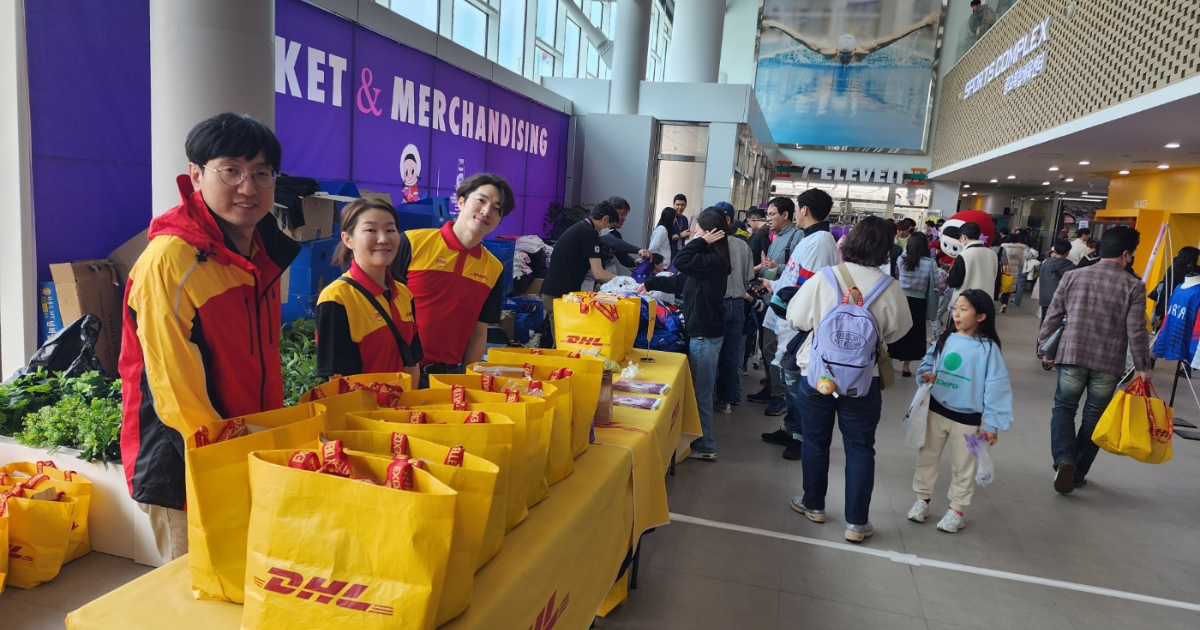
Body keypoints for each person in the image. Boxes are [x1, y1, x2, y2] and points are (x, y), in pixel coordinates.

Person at [119, 113, 299, 562]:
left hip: (245, 449)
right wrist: (226, 461)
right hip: (189, 462)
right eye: (232, 170)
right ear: (196, 175)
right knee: (195, 598)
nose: (248, 187)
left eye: (262, 173)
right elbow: (175, 392)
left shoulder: (259, 253)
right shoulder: (172, 261)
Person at [785, 217, 913, 542]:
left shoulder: (824, 278)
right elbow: (899, 332)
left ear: (849, 241)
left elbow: (796, 319)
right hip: (862, 381)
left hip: (817, 378)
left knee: (815, 442)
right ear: (887, 247)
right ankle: (856, 523)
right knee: (860, 449)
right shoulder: (890, 287)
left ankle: (813, 504)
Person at [1037, 226, 1152, 494]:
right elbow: (1136, 329)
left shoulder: (1074, 276)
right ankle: (1076, 473)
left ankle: (1064, 459)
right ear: (1126, 255)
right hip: (1108, 363)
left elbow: (1053, 315)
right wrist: (1144, 367)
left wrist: (1045, 346)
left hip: (1072, 354)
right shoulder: (1133, 285)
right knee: (1094, 418)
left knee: (1064, 408)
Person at [392, 173, 515, 384]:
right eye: (481, 201)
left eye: (497, 209)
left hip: (446, 378)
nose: (487, 212)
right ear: (461, 201)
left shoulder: (494, 268)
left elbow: (479, 332)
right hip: (396, 372)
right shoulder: (413, 243)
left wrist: (467, 382)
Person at [909, 289, 1013, 533]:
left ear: (981, 316)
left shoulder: (989, 350)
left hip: (967, 419)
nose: (956, 313)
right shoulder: (945, 339)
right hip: (936, 411)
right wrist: (926, 377)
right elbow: (927, 364)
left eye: (963, 309)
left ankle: (956, 510)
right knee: (927, 458)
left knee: (963, 466)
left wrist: (991, 425)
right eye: (955, 308)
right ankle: (921, 500)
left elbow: (996, 387)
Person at [642, 208, 732, 460]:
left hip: (705, 334)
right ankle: (697, 438)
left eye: (699, 229)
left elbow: (680, 261)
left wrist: (699, 241)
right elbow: (682, 281)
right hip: (702, 331)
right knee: (697, 389)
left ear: (711, 233)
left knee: (700, 391)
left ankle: (705, 444)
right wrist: (651, 283)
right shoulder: (706, 260)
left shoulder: (713, 260)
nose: (694, 233)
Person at [759, 189, 840, 460]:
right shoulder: (812, 238)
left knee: (795, 381)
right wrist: (774, 283)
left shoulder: (821, 241)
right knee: (787, 375)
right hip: (787, 317)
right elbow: (795, 275)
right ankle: (790, 426)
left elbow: (807, 285)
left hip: (797, 323)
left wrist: (781, 292)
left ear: (804, 210)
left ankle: (801, 436)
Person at [316, 198, 422, 384]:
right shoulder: (336, 298)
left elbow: (411, 363)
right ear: (348, 240)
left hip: (401, 409)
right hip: (360, 411)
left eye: (390, 230)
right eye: (371, 230)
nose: (383, 239)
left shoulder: (404, 293)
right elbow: (337, 382)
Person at [748, 197, 803, 416]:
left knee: (775, 347)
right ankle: (771, 388)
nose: (768, 218)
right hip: (770, 299)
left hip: (782, 304)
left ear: (786, 215)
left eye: (772, 214)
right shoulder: (777, 237)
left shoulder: (797, 236)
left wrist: (775, 266)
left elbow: (796, 270)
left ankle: (779, 397)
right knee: (766, 345)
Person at [716, 202, 756, 412]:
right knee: (732, 355)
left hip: (718, 304)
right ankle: (727, 400)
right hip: (738, 306)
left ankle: (707, 395)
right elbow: (750, 278)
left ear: (727, 220)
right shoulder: (744, 246)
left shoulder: (712, 243)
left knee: (711, 353)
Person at [891, 232, 943, 376]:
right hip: (919, 302)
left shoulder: (902, 259)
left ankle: (890, 360)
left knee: (897, 329)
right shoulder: (930, 262)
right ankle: (906, 367)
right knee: (914, 333)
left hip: (901, 299)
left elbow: (896, 275)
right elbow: (937, 284)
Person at [946, 221, 999, 314]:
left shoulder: (964, 255)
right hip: (987, 302)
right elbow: (997, 278)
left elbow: (954, 281)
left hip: (965, 303)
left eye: (960, 238)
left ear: (964, 236)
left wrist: (947, 276)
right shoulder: (992, 254)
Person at [599, 196, 652, 274]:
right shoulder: (599, 230)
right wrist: (638, 250)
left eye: (625, 215)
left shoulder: (616, 234)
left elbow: (623, 257)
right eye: (622, 214)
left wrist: (634, 261)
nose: (624, 218)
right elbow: (613, 242)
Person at [1150, 246, 1200, 325]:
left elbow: (1165, 291)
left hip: (1169, 306)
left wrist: (1159, 312)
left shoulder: (1173, 268)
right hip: (1181, 308)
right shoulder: (1190, 272)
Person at [1038, 241, 1075, 322]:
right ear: (1068, 252)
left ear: (1054, 251)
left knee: (1044, 322)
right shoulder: (1071, 267)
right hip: (1060, 300)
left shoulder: (1045, 263)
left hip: (1044, 298)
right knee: (1057, 324)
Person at [999, 234, 1028, 312]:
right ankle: (1004, 304)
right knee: (1008, 288)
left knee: (999, 285)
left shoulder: (1003, 247)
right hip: (1013, 270)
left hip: (1003, 269)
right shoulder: (1021, 249)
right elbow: (1022, 262)